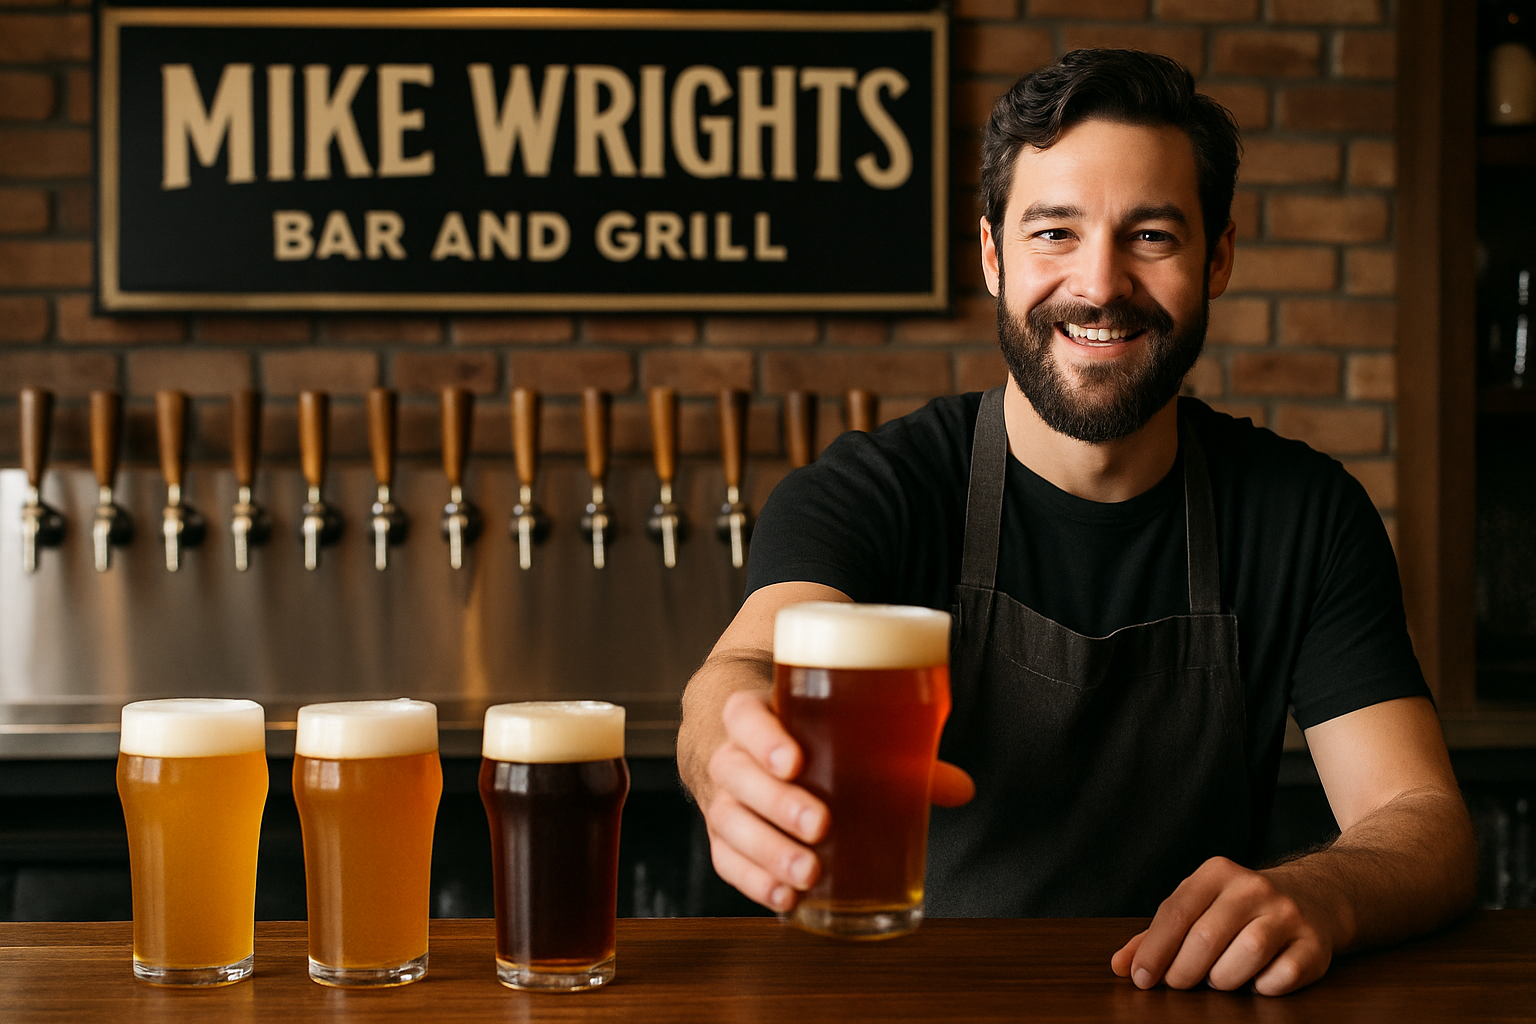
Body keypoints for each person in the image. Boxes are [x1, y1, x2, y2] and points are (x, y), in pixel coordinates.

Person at [675, 48, 1477, 996]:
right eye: (1054, 232)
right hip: (899, 1005)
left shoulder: (1302, 514)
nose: (1099, 285)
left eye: (1151, 236)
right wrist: (727, 748)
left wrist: (1327, 891)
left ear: (1217, 257)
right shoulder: (876, 490)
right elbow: (742, 668)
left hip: (1181, 1006)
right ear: (991, 255)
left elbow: (1422, 818)